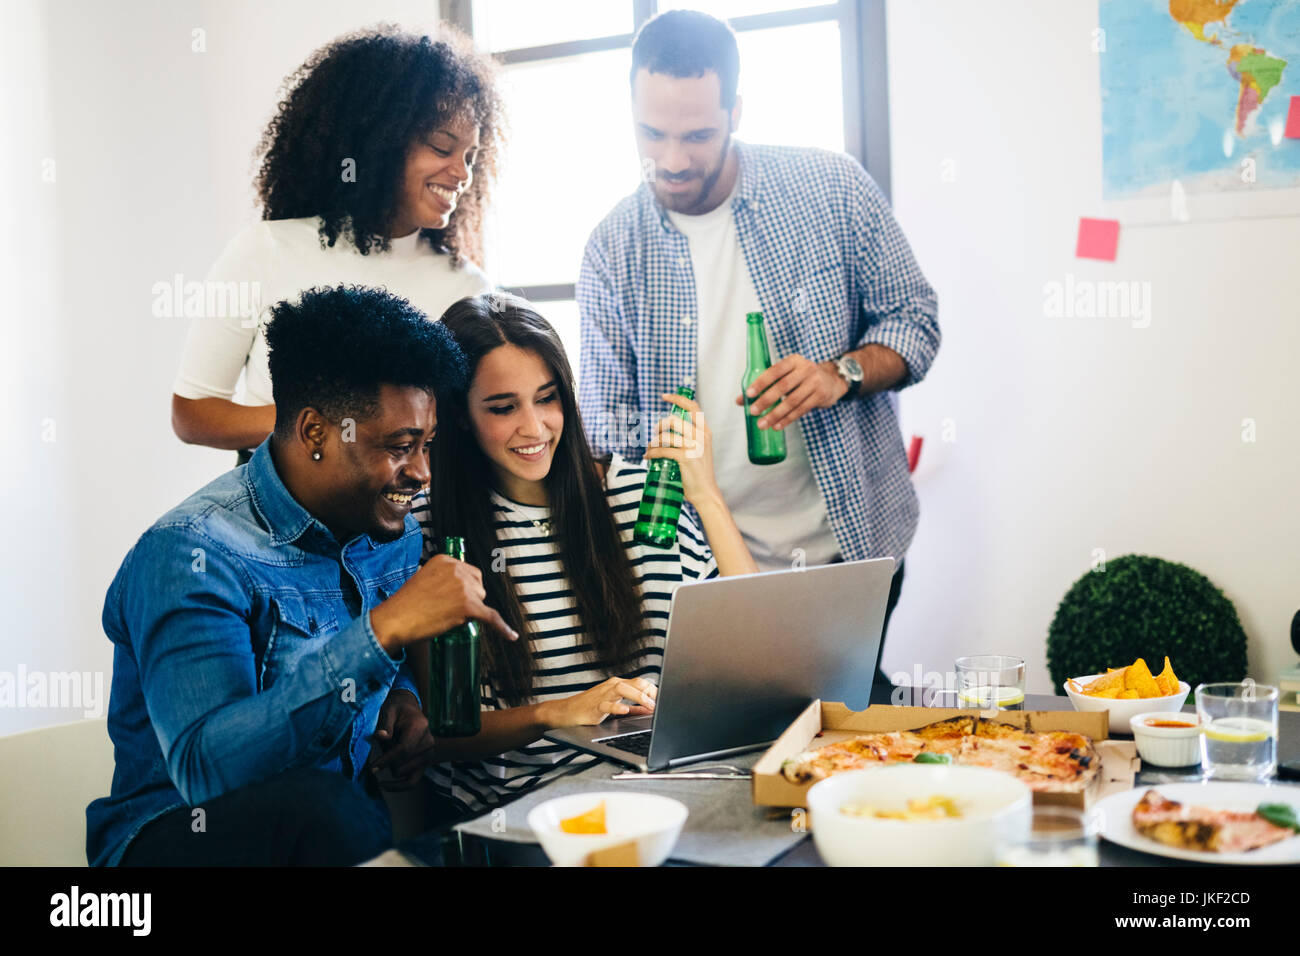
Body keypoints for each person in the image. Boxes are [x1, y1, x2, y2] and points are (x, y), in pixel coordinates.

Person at [87, 286, 515, 866]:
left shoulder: (392, 534)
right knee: (321, 806)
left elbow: (377, 682)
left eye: (428, 445)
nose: (422, 473)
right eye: (399, 446)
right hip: (175, 843)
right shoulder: (192, 553)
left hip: (333, 840)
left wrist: (405, 702)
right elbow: (207, 775)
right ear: (317, 433)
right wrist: (384, 630)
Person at [576, 10, 940, 690]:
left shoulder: (831, 188)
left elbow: (915, 320)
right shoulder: (610, 250)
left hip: (852, 548)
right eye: (652, 134)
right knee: (744, 751)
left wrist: (842, 374)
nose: (674, 159)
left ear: (736, 110)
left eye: (698, 135)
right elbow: (607, 438)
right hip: (704, 568)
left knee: (847, 728)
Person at [411, 293, 756, 812]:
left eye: (547, 398)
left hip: (673, 784)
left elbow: (761, 650)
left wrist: (706, 496)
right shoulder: (429, 531)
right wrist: (559, 711)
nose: (534, 427)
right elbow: (443, 735)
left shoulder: (640, 496)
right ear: (459, 414)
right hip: (529, 807)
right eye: (504, 408)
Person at [171, 25, 503, 459]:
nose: (462, 174)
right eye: (442, 147)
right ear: (379, 141)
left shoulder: (468, 289)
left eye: (471, 158)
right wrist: (328, 423)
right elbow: (193, 414)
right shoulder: (264, 251)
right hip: (275, 522)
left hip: (415, 522)